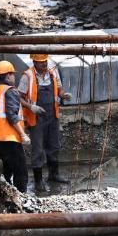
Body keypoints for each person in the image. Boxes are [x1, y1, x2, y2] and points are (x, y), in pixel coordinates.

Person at [18, 54, 72, 192]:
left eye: (45, 61)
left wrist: (63, 95)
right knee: (38, 150)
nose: (44, 64)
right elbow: (19, 97)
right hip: (36, 118)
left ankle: (54, 175)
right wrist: (31, 107)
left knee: (54, 146)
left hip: (52, 116)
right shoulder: (27, 76)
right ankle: (38, 181)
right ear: (34, 62)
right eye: (41, 62)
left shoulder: (53, 72)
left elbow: (59, 89)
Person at [0, 61, 30, 192]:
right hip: (10, 137)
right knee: (21, 172)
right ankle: (22, 197)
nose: (14, 76)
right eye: (12, 74)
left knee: (6, 171)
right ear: (7, 75)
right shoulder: (10, 91)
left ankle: (6, 196)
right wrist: (23, 134)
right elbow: (12, 115)